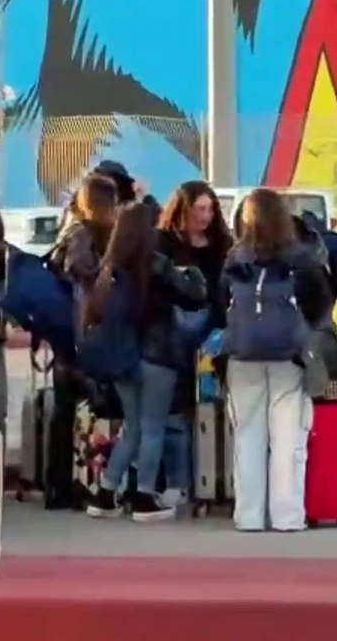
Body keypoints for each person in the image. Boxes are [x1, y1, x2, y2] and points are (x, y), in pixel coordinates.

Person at [84, 203, 208, 521]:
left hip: (122, 357)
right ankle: (144, 497)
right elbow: (194, 297)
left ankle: (106, 493)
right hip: (157, 356)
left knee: (133, 428)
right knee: (153, 427)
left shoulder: (109, 267)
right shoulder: (157, 265)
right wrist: (192, 274)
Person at [218, 188, 332, 532]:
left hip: (243, 355)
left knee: (248, 435)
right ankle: (287, 515)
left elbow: (220, 301)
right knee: (288, 439)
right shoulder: (302, 259)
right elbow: (321, 305)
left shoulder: (236, 259)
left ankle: (249, 515)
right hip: (290, 358)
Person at [42, 173, 119, 509]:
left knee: (65, 411)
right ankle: (67, 483)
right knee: (80, 407)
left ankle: (59, 485)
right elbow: (80, 273)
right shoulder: (83, 234)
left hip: (66, 334)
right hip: (78, 334)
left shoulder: (71, 227)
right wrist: (106, 272)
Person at [155, 180, 234, 507]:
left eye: (210, 209)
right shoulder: (164, 244)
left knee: (207, 409)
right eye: (198, 209)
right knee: (174, 410)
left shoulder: (222, 245)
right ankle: (177, 480)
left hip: (211, 334)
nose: (205, 216)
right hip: (171, 336)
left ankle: (212, 478)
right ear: (182, 211)